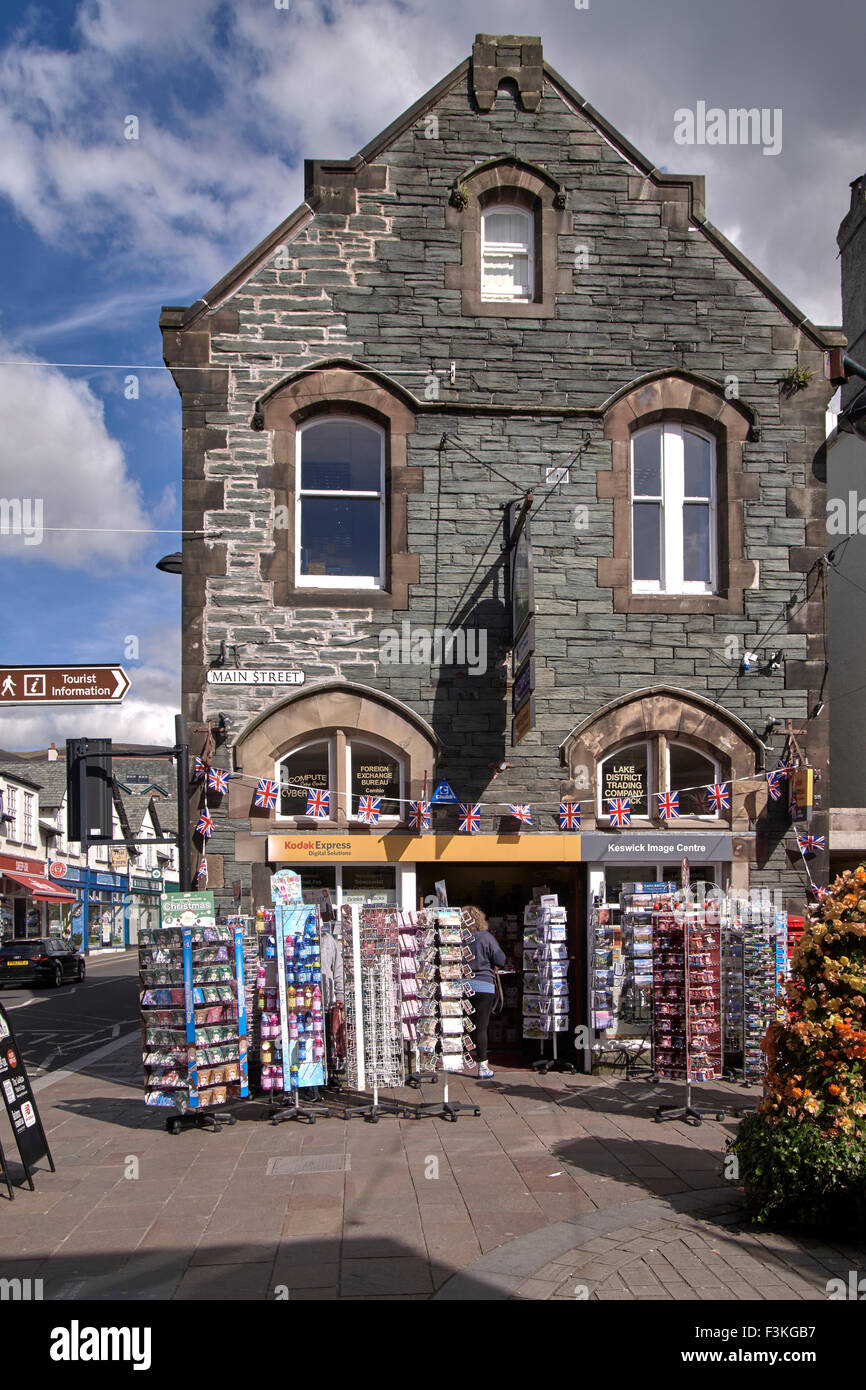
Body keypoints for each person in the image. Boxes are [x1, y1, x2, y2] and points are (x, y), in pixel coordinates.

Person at [464, 906, 506, 1079]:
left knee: (461, 1026)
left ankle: (458, 1059)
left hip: (463, 986)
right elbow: (501, 959)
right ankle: (482, 1067)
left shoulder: (460, 938)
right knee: (481, 1027)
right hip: (484, 986)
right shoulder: (486, 938)